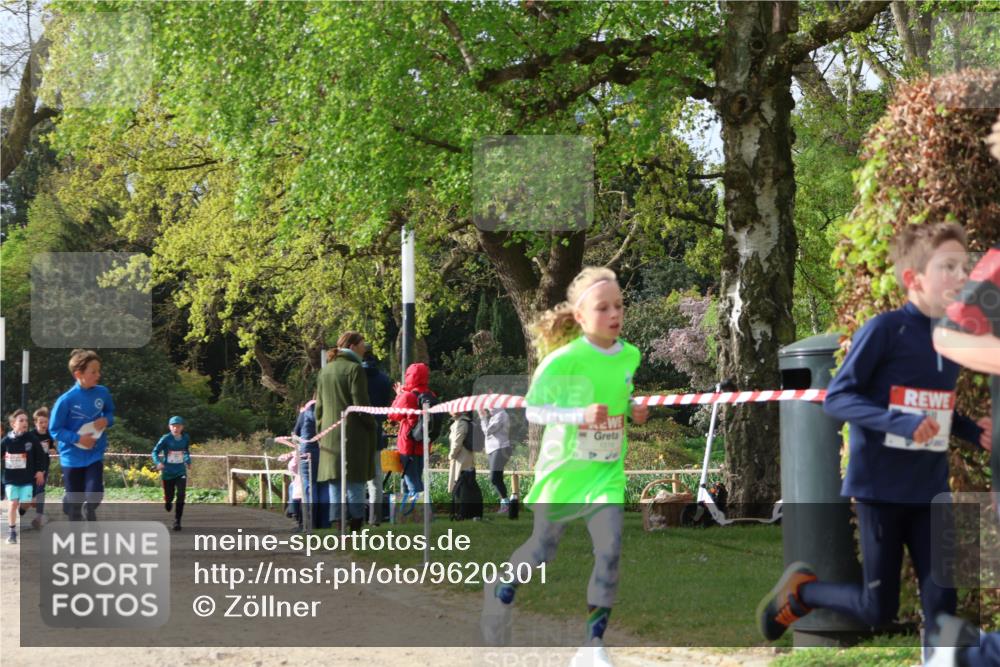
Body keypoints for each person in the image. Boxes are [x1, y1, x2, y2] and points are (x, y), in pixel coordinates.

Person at [757, 223, 991, 653]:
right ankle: (802, 593)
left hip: (930, 490)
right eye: (949, 267)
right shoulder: (885, 331)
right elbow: (839, 398)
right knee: (876, 608)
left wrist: (974, 431)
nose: (962, 277)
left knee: (943, 603)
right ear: (913, 279)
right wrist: (900, 423)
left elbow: (934, 406)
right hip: (881, 491)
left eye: (965, 267)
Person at [480, 266, 648, 667]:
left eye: (619, 305)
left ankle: (593, 645)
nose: (614, 313)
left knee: (609, 550)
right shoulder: (563, 360)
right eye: (603, 306)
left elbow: (618, 397)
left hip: (605, 471)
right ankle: (501, 587)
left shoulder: (629, 354)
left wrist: (634, 409)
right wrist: (580, 415)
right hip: (562, 470)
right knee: (543, 548)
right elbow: (535, 409)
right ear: (579, 316)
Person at [315, 332, 376, 532]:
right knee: (355, 482)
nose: (364, 348)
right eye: (362, 344)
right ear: (352, 346)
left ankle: (338, 526)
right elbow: (361, 404)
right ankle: (356, 526)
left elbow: (319, 408)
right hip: (353, 434)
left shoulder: (325, 371)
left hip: (329, 435)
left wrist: (320, 432)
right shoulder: (355, 369)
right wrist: (372, 425)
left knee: (335, 483)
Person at [50, 349, 115, 522]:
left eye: (98, 371)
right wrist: (78, 439)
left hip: (94, 453)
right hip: (71, 457)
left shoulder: (103, 393)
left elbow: (110, 413)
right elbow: (55, 429)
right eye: (93, 372)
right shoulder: (66, 400)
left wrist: (106, 420)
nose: (98, 375)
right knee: (74, 506)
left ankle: (90, 507)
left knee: (95, 493)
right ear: (78, 374)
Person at [388, 362, 435, 500]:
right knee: (416, 478)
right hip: (423, 445)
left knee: (412, 482)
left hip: (408, 445)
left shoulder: (408, 396)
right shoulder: (430, 394)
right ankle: (417, 512)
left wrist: (398, 395)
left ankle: (423, 514)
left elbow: (392, 415)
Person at [2, 410, 45, 544]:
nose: (25, 423)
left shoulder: (32, 439)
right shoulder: (6, 440)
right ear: (13, 424)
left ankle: (19, 512)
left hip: (27, 479)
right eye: (21, 420)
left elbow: (41, 456)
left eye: (26, 420)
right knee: (13, 503)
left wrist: (39, 471)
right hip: (11, 479)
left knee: (26, 504)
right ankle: (12, 532)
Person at [362, 346, 393, 526]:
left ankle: (354, 515)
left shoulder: (356, 376)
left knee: (355, 478)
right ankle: (375, 518)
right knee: (376, 479)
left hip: (357, 431)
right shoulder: (384, 379)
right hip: (377, 430)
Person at [152, 416, 191, 531]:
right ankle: (168, 501)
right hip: (168, 472)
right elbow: (155, 452)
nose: (176, 428)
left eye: (178, 426)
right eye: (173, 426)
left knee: (181, 495)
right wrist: (158, 462)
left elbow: (186, 451)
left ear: (182, 427)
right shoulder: (165, 439)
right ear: (169, 427)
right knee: (170, 496)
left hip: (180, 471)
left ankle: (177, 521)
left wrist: (188, 460)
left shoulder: (185, 438)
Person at [479, 407, 512, 513]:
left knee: (494, 478)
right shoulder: (494, 416)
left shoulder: (501, 414)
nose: (488, 408)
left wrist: (483, 418)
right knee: (497, 478)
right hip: (493, 450)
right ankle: (506, 505)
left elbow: (488, 431)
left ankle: (506, 504)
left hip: (501, 448)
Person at [292, 396, 319, 529]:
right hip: (324, 452)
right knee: (320, 486)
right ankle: (320, 521)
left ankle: (307, 523)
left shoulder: (305, 412)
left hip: (306, 452)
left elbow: (295, 433)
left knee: (307, 487)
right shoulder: (327, 411)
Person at [29, 407, 55, 530]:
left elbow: (53, 449)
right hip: (30, 468)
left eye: (46, 422)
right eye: (41, 422)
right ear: (35, 422)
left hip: (44, 467)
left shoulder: (50, 435)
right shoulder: (30, 435)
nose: (44, 425)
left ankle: (38, 518)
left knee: (40, 491)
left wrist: (51, 450)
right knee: (31, 492)